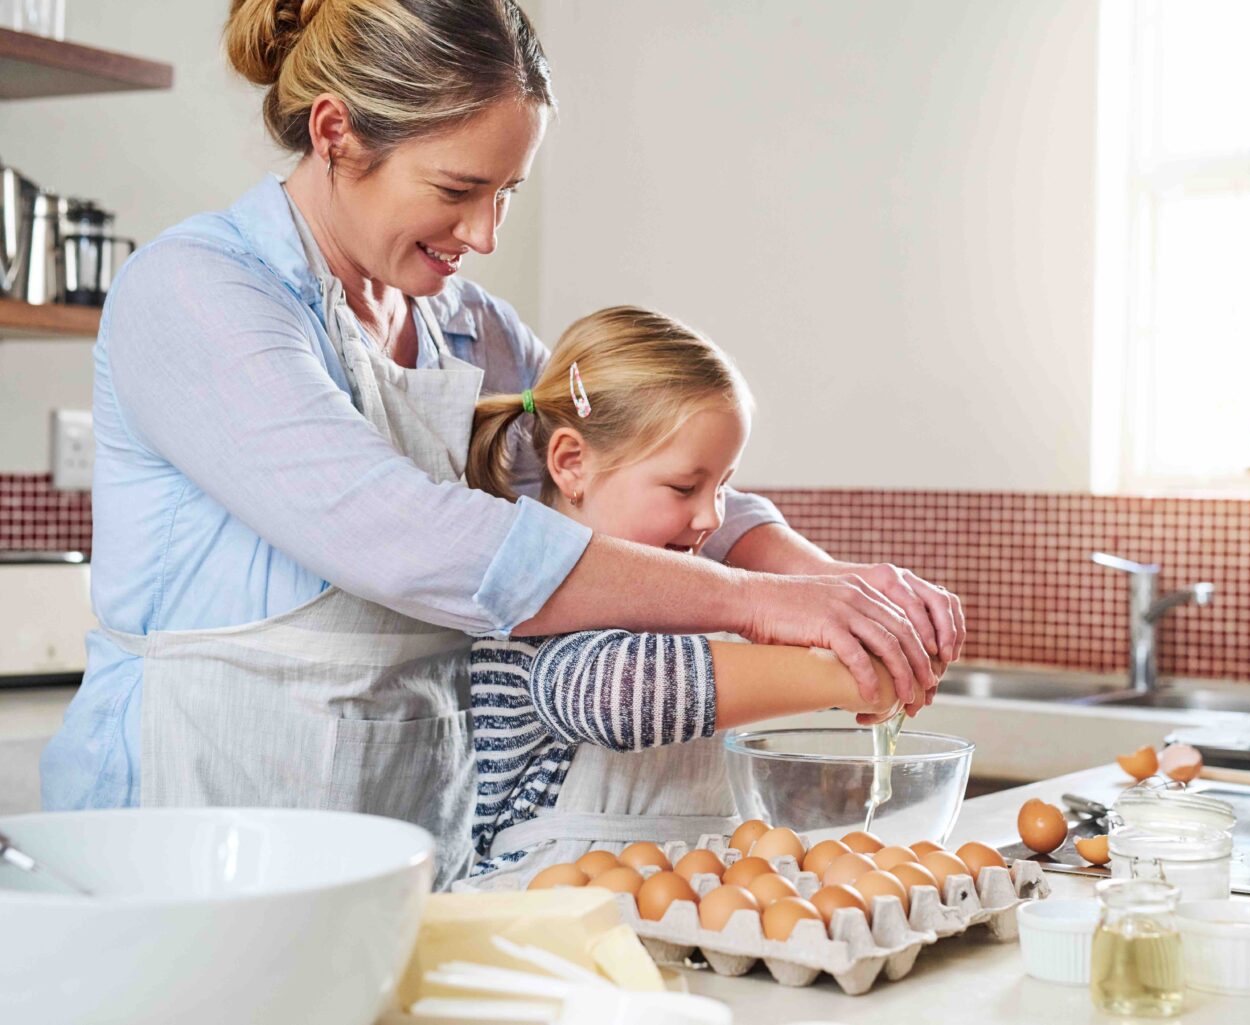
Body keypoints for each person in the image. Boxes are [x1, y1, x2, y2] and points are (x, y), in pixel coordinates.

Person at [40, 0, 962, 888]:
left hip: (401, 845)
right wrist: (766, 605)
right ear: (335, 134)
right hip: (186, 841)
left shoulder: (466, 327)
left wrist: (838, 590)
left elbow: (622, 453)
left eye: (507, 192)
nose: (483, 233)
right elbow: (409, 538)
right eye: (458, 189)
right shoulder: (198, 292)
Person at [461, 305, 917, 884]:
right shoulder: (533, 604)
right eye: (684, 487)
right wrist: (848, 674)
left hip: (670, 911)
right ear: (572, 464)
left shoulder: (688, 596)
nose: (711, 517)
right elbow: (615, 692)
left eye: (724, 485)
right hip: (539, 924)